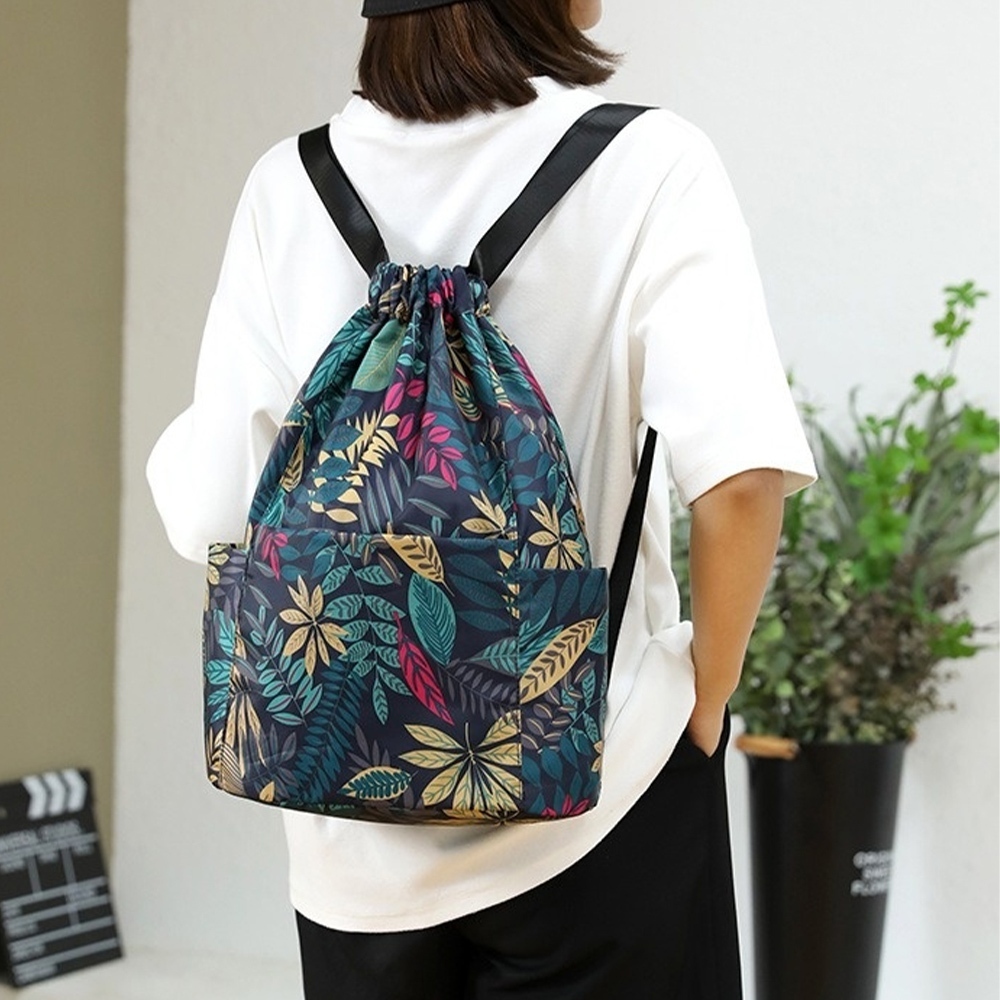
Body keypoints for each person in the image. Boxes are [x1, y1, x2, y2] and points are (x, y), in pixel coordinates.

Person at [146, 1, 817, 996]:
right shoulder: (648, 164)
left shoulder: (287, 186)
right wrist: (705, 698)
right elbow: (744, 475)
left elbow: (212, 510)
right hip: (600, 798)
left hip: (350, 839)